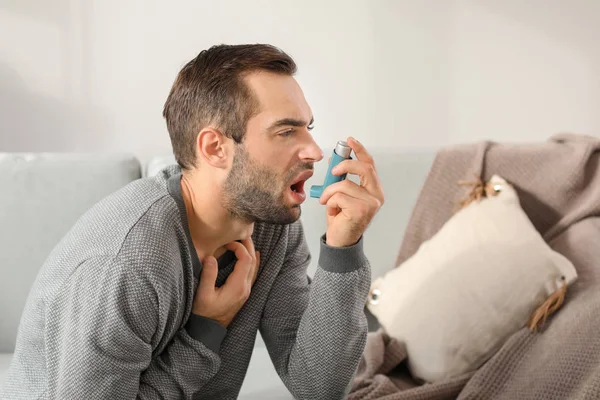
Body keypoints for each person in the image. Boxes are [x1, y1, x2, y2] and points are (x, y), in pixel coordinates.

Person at [0, 44, 384, 399]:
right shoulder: (126, 266)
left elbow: (317, 385)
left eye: (308, 128)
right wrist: (206, 330)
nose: (315, 151)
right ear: (215, 148)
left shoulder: (270, 225)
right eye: (286, 131)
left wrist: (343, 248)